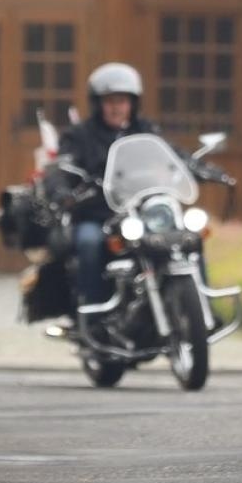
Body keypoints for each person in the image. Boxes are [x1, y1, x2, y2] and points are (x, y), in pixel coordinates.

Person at [59, 63, 160, 308]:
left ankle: (198, 308)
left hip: (140, 212)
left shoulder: (145, 130)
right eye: (110, 101)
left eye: (122, 101)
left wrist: (198, 166)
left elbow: (171, 154)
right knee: (88, 242)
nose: (117, 107)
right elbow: (63, 167)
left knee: (183, 239)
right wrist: (64, 188)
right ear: (98, 103)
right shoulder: (79, 135)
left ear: (133, 104)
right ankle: (91, 310)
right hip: (98, 214)